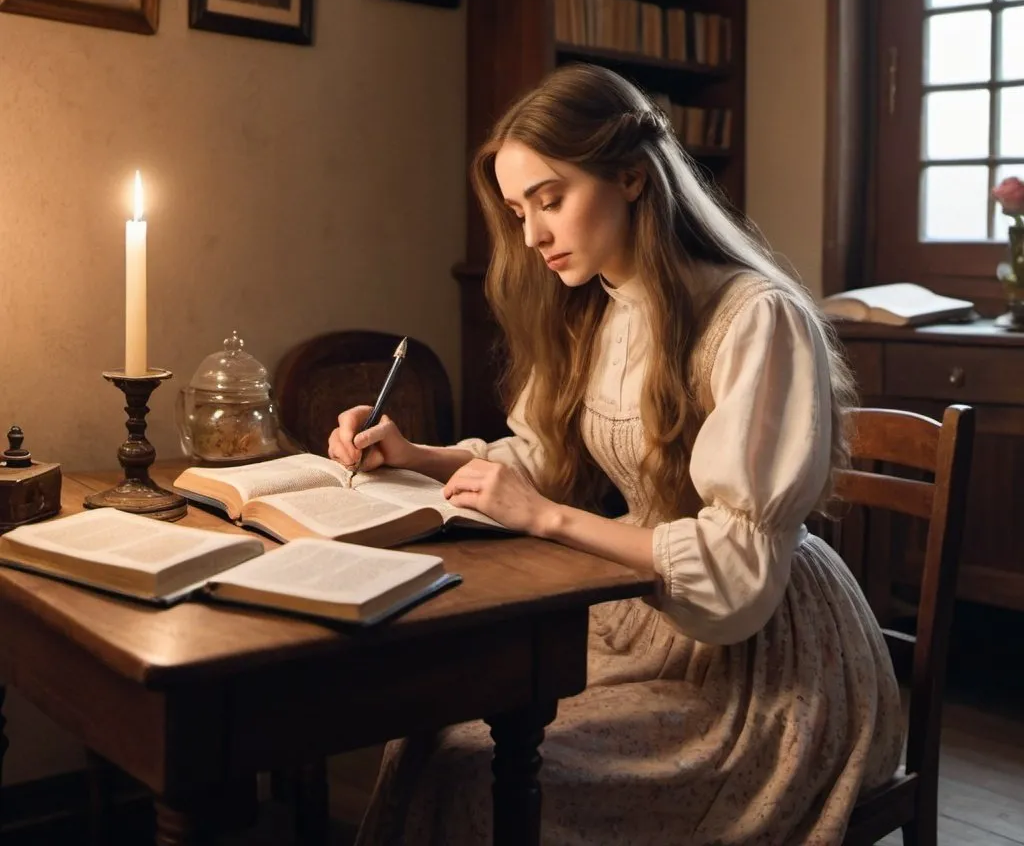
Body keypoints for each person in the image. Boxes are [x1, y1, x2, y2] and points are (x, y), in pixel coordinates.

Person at [329, 63, 903, 845]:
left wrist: (549, 519)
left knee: (476, 774)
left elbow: (735, 572)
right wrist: (413, 454)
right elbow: (538, 461)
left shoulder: (756, 321)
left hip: (764, 667)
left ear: (632, 177)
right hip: (642, 617)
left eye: (550, 199)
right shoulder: (595, 310)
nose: (531, 235)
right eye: (516, 209)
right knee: (431, 731)